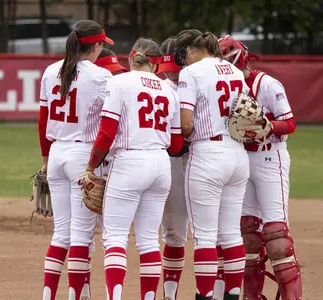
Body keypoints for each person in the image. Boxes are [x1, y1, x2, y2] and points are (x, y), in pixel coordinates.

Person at [84, 37, 183, 300]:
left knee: (115, 237)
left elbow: (106, 133)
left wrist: (91, 167)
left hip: (129, 162)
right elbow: (176, 144)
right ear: (156, 62)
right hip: (161, 165)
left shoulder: (119, 82)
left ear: (130, 57)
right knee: (149, 239)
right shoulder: (169, 91)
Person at [219, 35, 302, 300]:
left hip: (269, 157)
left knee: (276, 236)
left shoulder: (266, 83)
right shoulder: (226, 85)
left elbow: (289, 123)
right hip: (243, 160)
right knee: (248, 236)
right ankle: (251, 296)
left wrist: (267, 126)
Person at [37, 19, 114, 300]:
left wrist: (46, 159)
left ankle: (48, 296)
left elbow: (43, 119)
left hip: (57, 152)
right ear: (94, 46)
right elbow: (110, 124)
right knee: (81, 237)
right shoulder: (100, 77)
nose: (101, 50)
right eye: (101, 45)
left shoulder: (50, 72)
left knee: (61, 234)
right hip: (83, 155)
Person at [175, 29, 250, 300]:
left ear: (188, 52)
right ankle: (231, 296)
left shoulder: (190, 73)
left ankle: (204, 297)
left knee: (205, 236)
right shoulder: (235, 72)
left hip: (207, 153)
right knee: (231, 234)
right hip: (237, 153)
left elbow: (185, 125)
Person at [156, 35, 188, 300]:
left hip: (196, 163)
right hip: (164, 162)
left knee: (190, 233)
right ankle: (169, 294)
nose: (172, 76)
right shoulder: (160, 87)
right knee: (169, 232)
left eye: (176, 71)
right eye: (168, 71)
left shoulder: (199, 83)